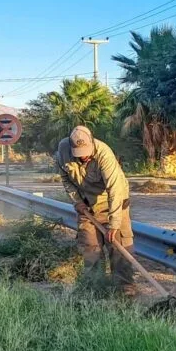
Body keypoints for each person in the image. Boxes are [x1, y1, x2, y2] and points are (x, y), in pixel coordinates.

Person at [54, 125, 135, 294]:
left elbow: (115, 189)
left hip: (114, 203)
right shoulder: (63, 150)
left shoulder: (104, 153)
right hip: (87, 206)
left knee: (118, 246)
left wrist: (113, 224)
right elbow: (65, 179)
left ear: (92, 142)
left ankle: (125, 289)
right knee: (90, 247)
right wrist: (76, 201)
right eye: (79, 153)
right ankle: (95, 288)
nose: (83, 156)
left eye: (86, 152)